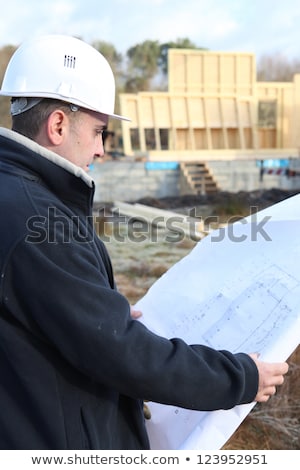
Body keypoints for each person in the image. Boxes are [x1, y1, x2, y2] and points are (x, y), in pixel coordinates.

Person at [0, 34, 288, 450]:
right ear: (59, 124)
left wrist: (89, 308)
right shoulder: (37, 219)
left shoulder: (15, 194)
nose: (101, 149)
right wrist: (241, 377)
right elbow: (121, 354)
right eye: (100, 131)